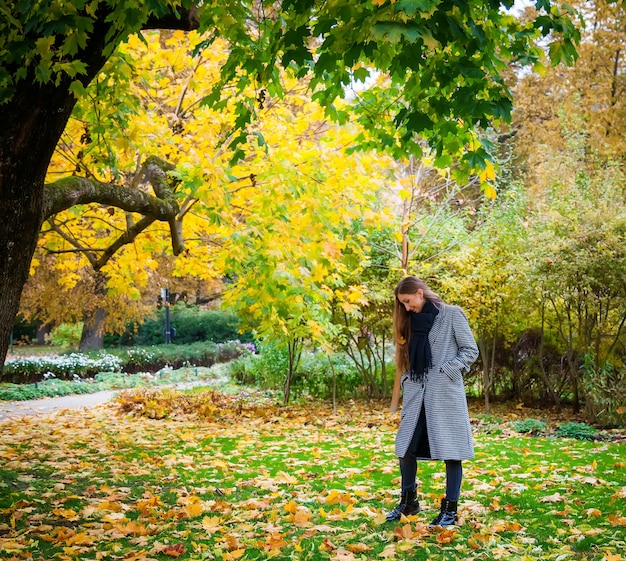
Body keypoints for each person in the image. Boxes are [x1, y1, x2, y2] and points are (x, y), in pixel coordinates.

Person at [386, 276, 479, 527]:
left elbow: (470, 350)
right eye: (402, 304)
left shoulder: (452, 315)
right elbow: (406, 355)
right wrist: (407, 379)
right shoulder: (409, 320)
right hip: (417, 393)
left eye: (407, 301)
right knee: (405, 448)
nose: (406, 307)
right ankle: (409, 501)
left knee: (453, 452)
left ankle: (450, 510)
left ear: (419, 293)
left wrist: (448, 370)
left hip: (445, 393)